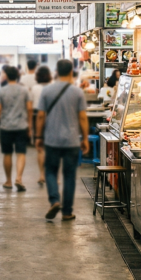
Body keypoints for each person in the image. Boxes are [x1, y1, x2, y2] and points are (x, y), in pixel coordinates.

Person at [35, 59, 89, 221]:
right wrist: (85, 138)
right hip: (72, 141)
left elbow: (40, 116)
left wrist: (38, 136)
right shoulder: (77, 92)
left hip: (52, 139)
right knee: (69, 175)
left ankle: (54, 200)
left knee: (50, 171)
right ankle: (67, 212)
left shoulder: (47, 91)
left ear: (56, 72)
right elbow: (82, 117)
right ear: (71, 71)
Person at [0, 66, 32, 191]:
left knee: (7, 154)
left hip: (6, 126)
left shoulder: (1, 91)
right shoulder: (24, 90)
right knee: (21, 153)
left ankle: (8, 181)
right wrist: (30, 125)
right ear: (17, 76)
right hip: (21, 125)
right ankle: (19, 178)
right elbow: (29, 108)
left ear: (6, 76)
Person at [29, 65, 52, 187]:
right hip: (52, 118)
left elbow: (31, 104)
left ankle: (42, 175)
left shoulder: (34, 88)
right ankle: (55, 177)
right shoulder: (52, 87)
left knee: (40, 148)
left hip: (37, 117)